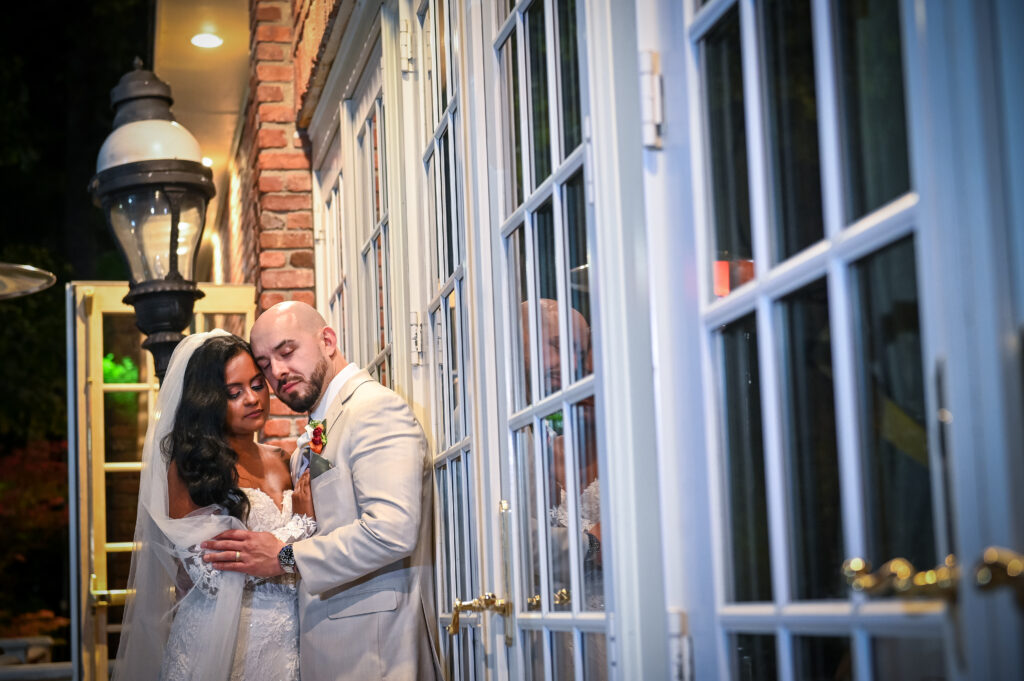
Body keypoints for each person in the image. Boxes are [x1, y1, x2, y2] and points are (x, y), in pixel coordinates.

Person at [202, 301, 441, 681]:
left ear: (327, 341)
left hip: (374, 651)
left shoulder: (374, 410)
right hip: (327, 649)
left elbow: (392, 531)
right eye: (265, 365)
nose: (278, 371)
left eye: (287, 351)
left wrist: (284, 556)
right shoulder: (322, 426)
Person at [113, 330, 317, 681]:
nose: (252, 399)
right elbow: (213, 578)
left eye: (257, 385)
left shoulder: (284, 459)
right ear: (208, 401)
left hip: (287, 641)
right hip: (218, 645)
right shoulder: (191, 470)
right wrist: (300, 526)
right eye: (233, 393)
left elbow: (305, 557)